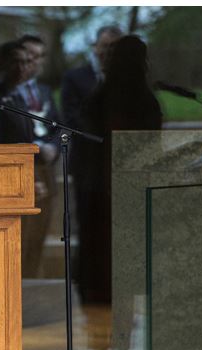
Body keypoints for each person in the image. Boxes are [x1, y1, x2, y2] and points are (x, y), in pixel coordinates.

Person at [77, 35, 162, 305]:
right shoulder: (147, 102)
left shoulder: (97, 99)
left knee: (104, 255)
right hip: (129, 191)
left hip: (101, 191)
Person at [0, 40, 59, 279]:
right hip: (15, 178)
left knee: (35, 243)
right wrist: (30, 176)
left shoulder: (19, 97)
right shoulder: (0, 96)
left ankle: (30, 291)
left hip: (43, 172)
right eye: (19, 62)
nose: (25, 67)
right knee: (17, 247)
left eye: (28, 61)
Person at [61, 25, 123, 131]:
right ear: (95, 46)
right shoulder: (73, 78)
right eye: (105, 46)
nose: (110, 52)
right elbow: (71, 118)